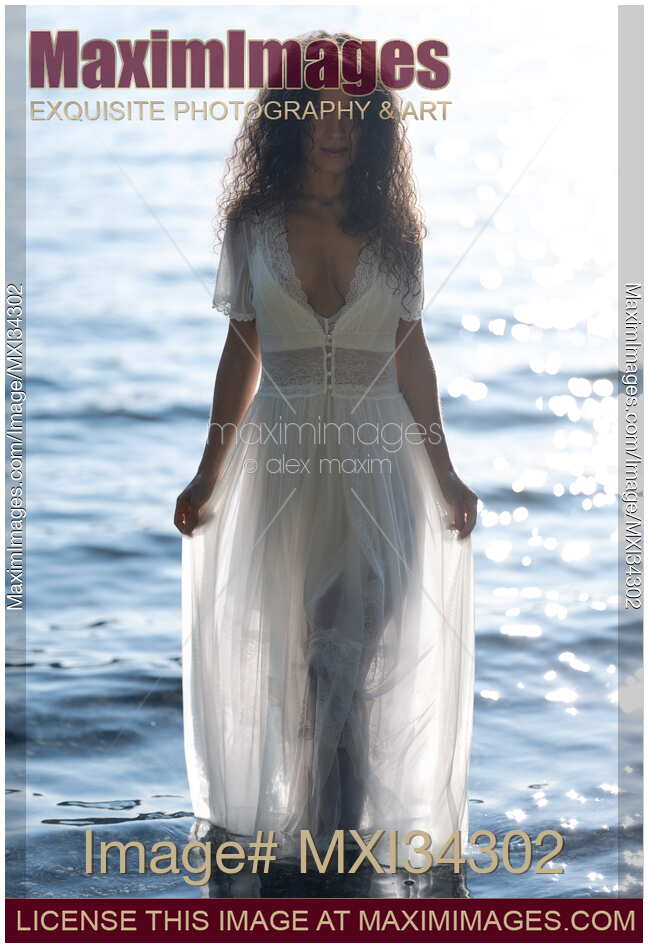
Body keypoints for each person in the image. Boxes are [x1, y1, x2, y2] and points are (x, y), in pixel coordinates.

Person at [174, 31, 478, 874]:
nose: (335, 130)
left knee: (356, 650)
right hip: (282, 470)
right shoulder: (253, 225)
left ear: (372, 125)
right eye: (319, 113)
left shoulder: (395, 232)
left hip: (383, 470)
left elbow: (412, 359)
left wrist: (446, 474)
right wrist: (208, 474)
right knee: (308, 664)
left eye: (351, 115)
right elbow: (243, 354)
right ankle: (327, 852)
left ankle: (334, 850)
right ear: (292, 121)